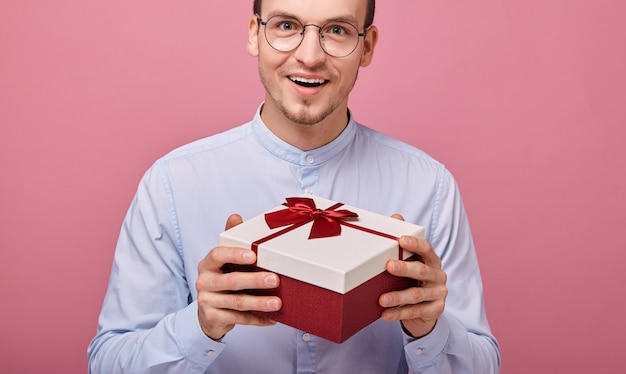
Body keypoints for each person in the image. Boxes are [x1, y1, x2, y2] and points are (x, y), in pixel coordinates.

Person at [88, 0, 501, 372]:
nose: (309, 56)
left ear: (368, 46)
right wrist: (200, 324)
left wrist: (429, 331)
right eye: (286, 26)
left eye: (337, 30)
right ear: (255, 34)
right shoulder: (172, 184)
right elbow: (107, 363)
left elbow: (484, 365)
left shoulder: (431, 187)